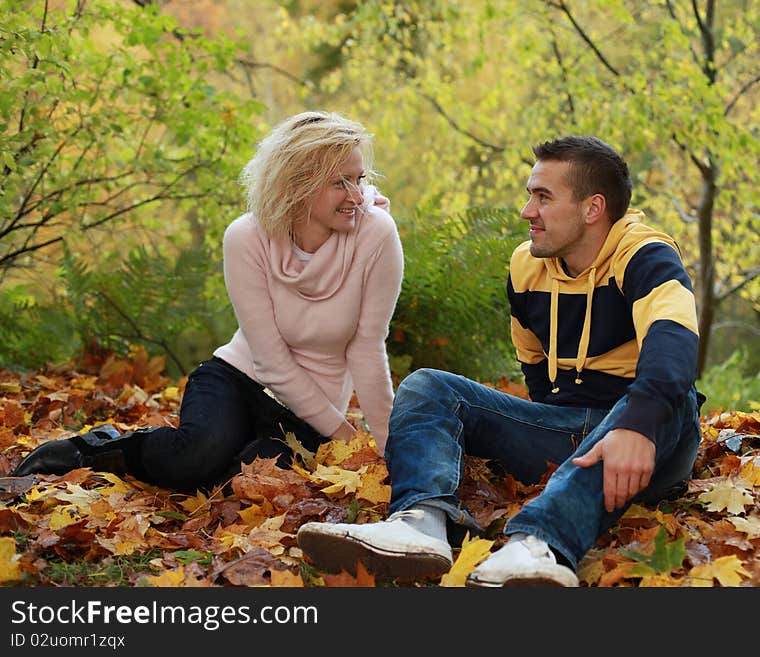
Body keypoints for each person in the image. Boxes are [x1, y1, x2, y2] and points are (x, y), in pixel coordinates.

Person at [296, 135, 704, 587]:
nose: (528, 211)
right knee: (428, 385)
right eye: (530, 195)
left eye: (543, 197)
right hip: (566, 425)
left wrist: (636, 426)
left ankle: (540, 545)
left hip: (653, 439)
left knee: (673, 397)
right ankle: (420, 524)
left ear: (593, 209)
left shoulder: (646, 255)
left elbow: (675, 342)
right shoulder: (527, 266)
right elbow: (534, 366)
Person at [13, 111, 404, 492]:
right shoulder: (247, 237)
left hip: (309, 413)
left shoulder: (376, 237)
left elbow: (367, 347)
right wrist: (342, 431)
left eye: (359, 179)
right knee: (194, 459)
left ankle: (221, 452)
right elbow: (269, 358)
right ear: (299, 183)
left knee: (236, 486)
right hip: (239, 379)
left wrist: (388, 452)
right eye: (340, 183)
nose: (356, 195)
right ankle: (94, 448)